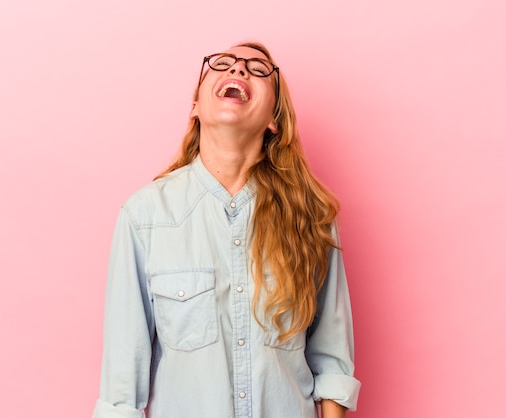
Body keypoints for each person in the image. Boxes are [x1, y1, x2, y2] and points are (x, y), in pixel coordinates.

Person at [92, 41, 361, 418]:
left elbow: (331, 361)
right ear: (195, 107)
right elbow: (121, 388)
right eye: (222, 63)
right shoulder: (145, 216)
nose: (238, 70)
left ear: (274, 120)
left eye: (257, 68)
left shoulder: (311, 216)